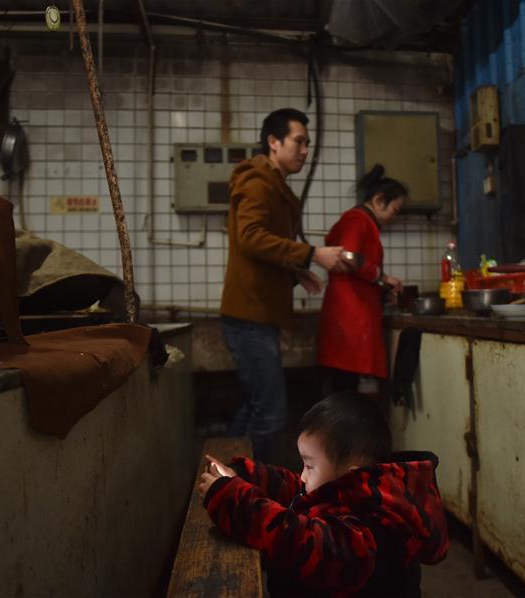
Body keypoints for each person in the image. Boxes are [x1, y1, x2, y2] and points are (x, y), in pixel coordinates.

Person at [197, 391, 449, 597]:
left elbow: (302, 543)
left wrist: (233, 499)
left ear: (351, 474)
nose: (303, 475)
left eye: (309, 465)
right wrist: (244, 475)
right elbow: (295, 486)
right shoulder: (354, 488)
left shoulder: (378, 530)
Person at [219, 107, 350, 462]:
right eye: (299, 141)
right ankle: (240, 486)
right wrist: (311, 254)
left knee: (257, 405)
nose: (305, 150)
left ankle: (221, 477)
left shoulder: (273, 184)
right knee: (271, 412)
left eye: (307, 143)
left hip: (257, 314)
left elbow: (263, 246)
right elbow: (250, 238)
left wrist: (295, 271)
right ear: (273, 142)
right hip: (250, 316)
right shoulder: (257, 181)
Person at [317, 164, 407, 393]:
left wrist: (380, 287)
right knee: (345, 387)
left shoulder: (362, 222)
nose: (393, 218)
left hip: (352, 312)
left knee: (345, 384)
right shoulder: (357, 220)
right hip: (349, 316)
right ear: (379, 201)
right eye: (394, 211)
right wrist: (382, 277)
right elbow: (347, 256)